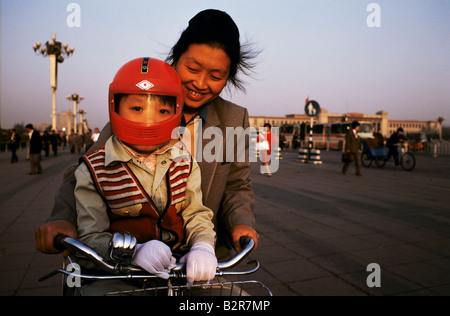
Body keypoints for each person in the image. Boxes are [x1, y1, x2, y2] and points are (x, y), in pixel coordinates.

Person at [35, 9, 259, 263]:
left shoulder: (234, 119)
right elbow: (86, 171)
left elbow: (237, 185)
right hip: (129, 260)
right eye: (192, 68)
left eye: (216, 76)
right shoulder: (140, 104)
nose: (200, 83)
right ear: (175, 58)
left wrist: (240, 223)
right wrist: (62, 218)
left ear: (228, 77)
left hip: (202, 260)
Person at [74, 58, 216, 294]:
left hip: (177, 273)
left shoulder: (185, 161)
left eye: (162, 111)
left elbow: (196, 213)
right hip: (118, 275)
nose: (149, 120)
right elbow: (90, 235)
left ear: (176, 111)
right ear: (115, 107)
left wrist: (203, 246)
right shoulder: (93, 169)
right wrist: (133, 252)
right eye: (137, 108)